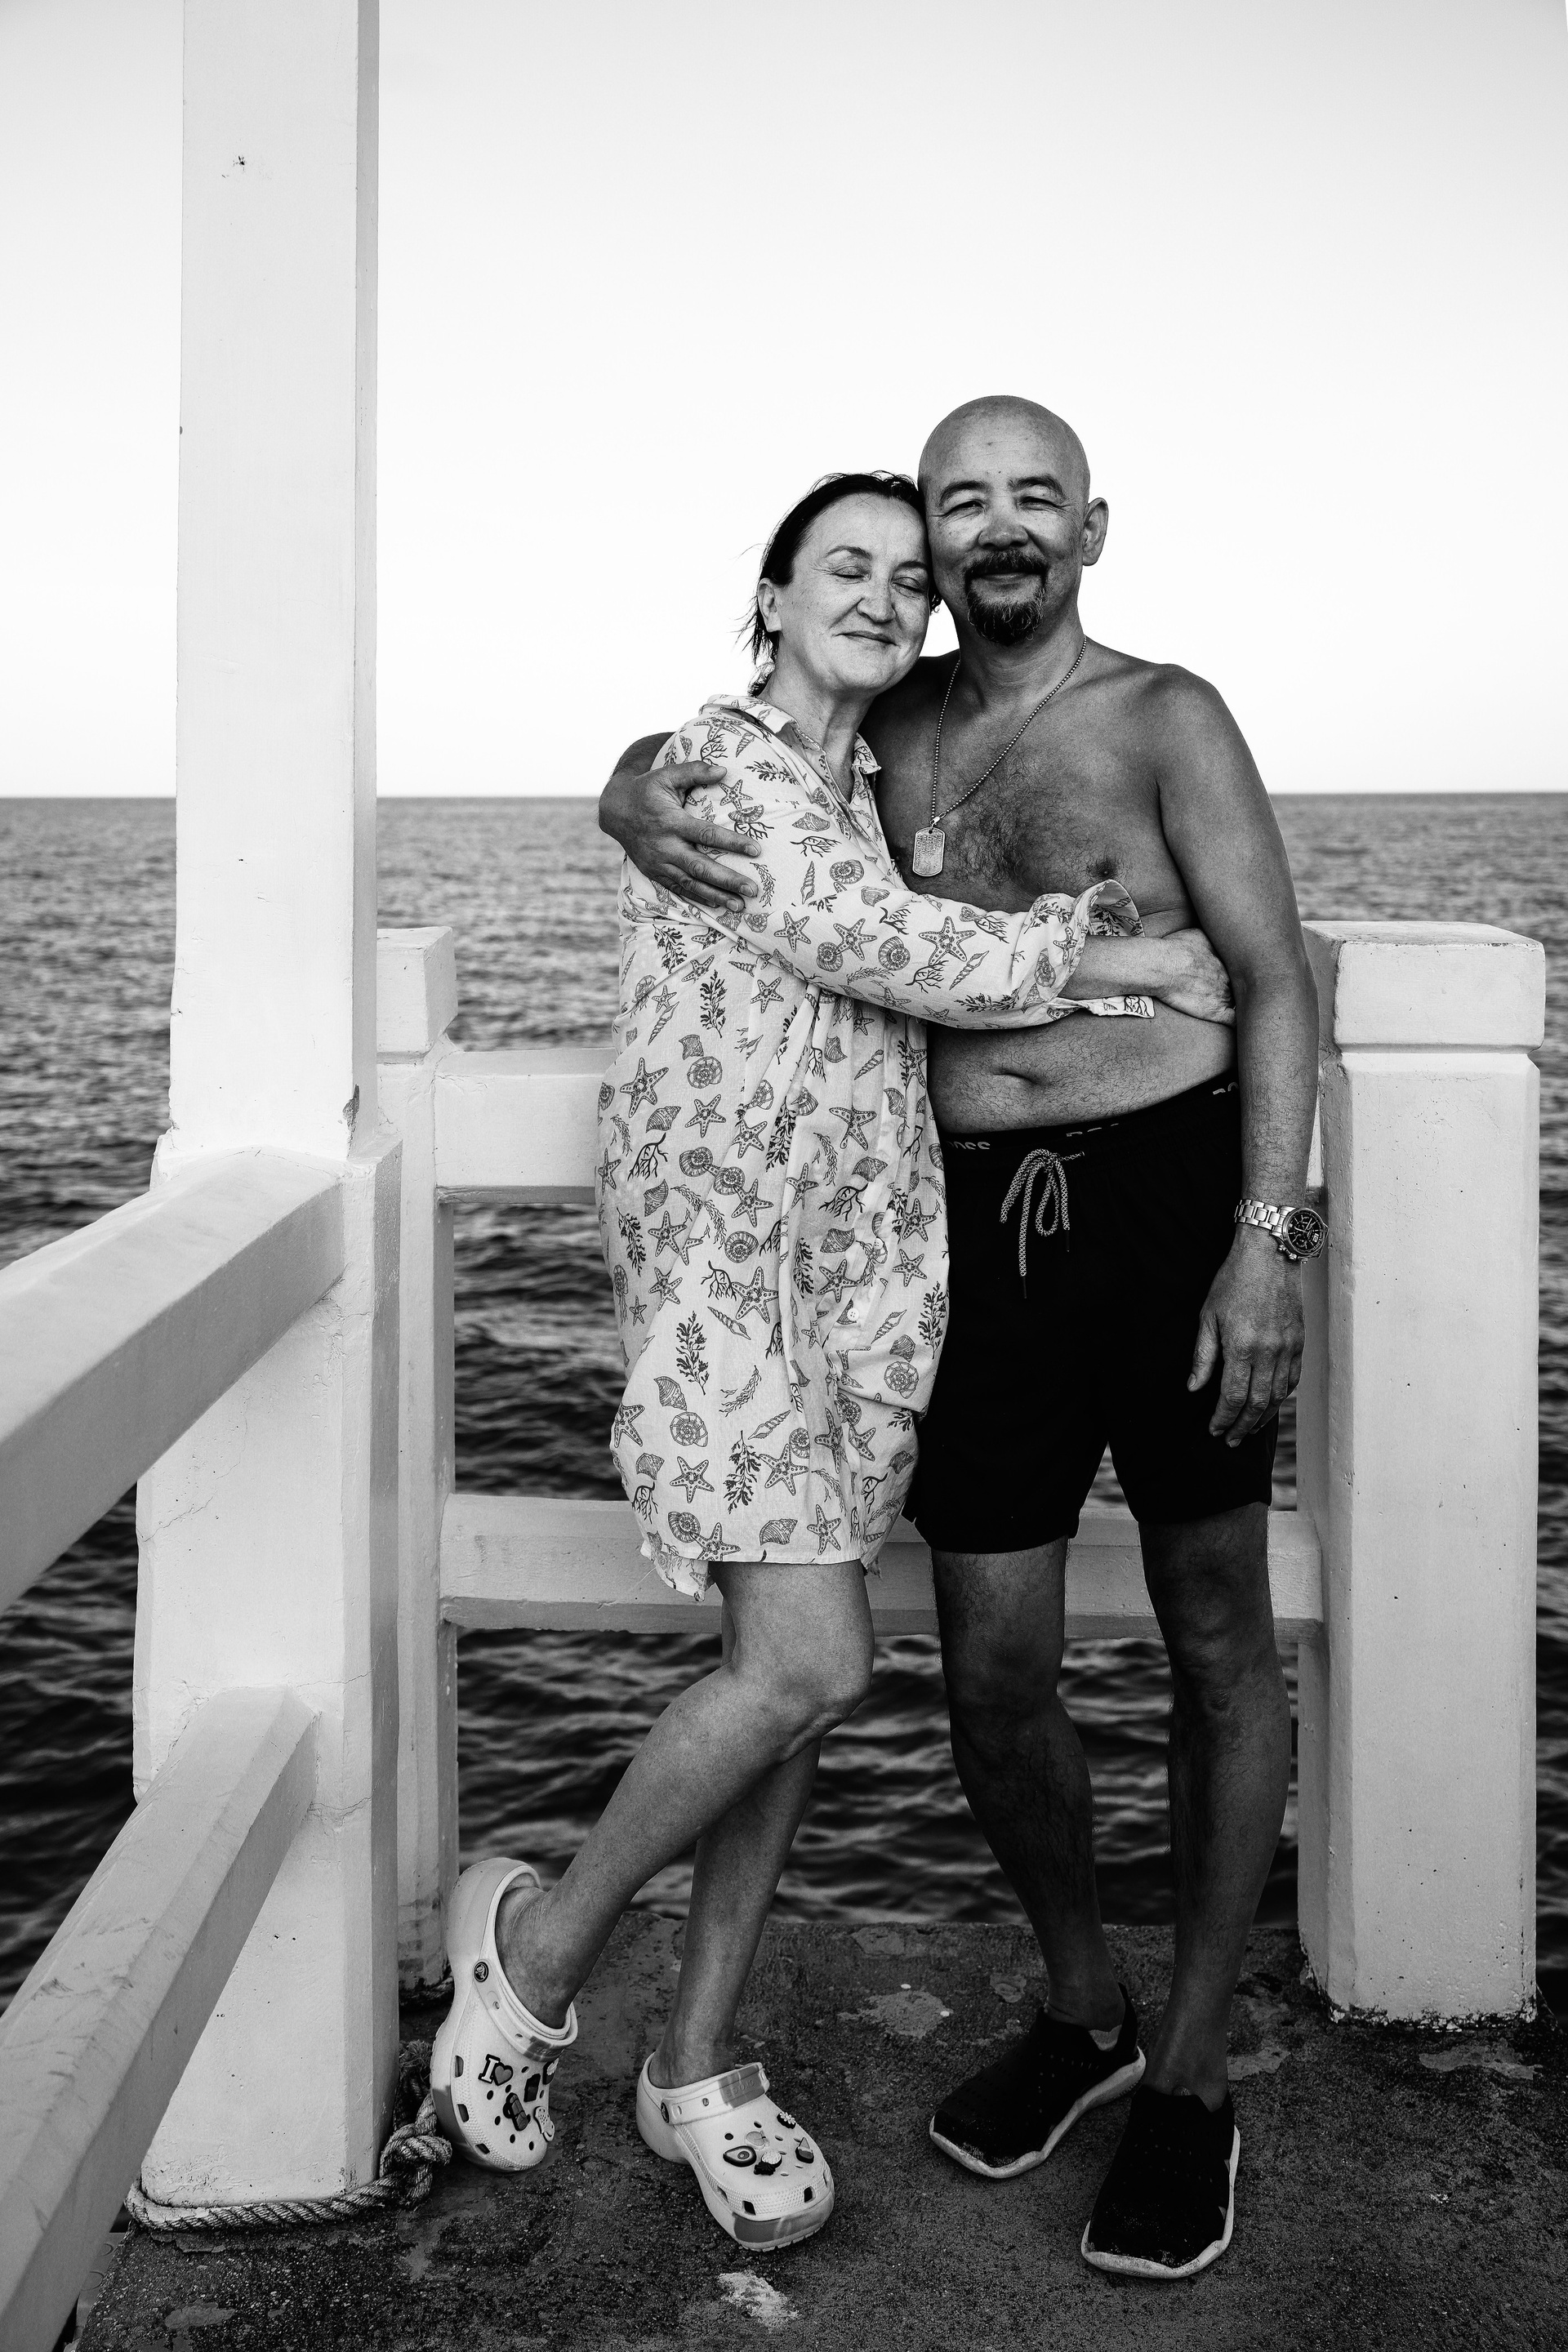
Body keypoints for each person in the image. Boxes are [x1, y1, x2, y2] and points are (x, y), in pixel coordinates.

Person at [432, 469, 1233, 2255]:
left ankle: (699, 2063)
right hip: (731, 1284)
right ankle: (537, 1958)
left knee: (780, 1692)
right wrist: (1124, 953)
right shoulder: (719, 771)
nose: (882, 594)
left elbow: (886, 935)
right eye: (843, 566)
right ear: (775, 596)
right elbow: (878, 948)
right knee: (811, 1661)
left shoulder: (866, 792)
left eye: (905, 576)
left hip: (862, 1294)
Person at [598, 397, 1323, 2282]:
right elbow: (744, 763)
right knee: (993, 1671)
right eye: (961, 503)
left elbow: (1276, 982)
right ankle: (1084, 2009)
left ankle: (1191, 2073)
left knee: (1218, 1638)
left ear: (1092, 527)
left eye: (1034, 498)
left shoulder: (1166, 717)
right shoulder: (893, 724)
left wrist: (1267, 1244)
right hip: (969, 1236)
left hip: (1169, 1213)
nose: (997, 529)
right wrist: (628, 776)